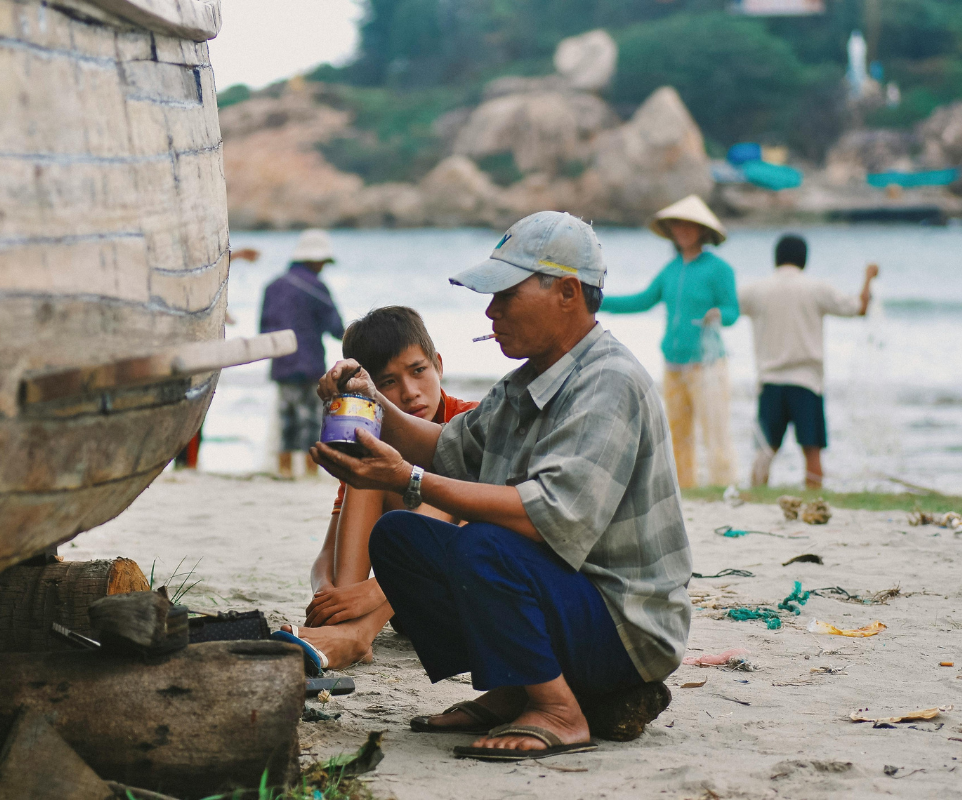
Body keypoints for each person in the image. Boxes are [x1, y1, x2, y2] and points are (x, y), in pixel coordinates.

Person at [310, 212, 690, 761]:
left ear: (566, 292)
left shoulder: (609, 382)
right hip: (568, 604)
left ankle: (559, 709)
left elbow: (545, 517)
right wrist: (368, 399)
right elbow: (448, 446)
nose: (491, 312)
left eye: (505, 296)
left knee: (486, 543)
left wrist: (408, 478)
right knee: (400, 538)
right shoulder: (526, 384)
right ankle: (518, 689)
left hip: (626, 627)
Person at [295, 307, 477, 669]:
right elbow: (327, 552)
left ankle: (357, 634)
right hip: (410, 614)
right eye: (388, 382)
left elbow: (485, 530)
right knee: (372, 471)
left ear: (438, 364)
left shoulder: (469, 422)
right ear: (370, 390)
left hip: (470, 599)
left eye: (418, 371)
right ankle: (345, 628)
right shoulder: (373, 442)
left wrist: (374, 590)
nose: (410, 393)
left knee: (443, 481)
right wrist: (330, 595)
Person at [601, 195, 739, 489]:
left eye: (690, 226)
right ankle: (684, 489)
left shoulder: (719, 269)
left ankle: (723, 485)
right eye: (678, 225)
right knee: (677, 433)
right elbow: (643, 300)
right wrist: (595, 300)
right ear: (672, 230)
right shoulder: (671, 269)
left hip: (707, 364)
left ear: (703, 230)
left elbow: (733, 311)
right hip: (673, 363)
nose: (683, 231)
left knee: (715, 431)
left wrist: (718, 314)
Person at [739, 234, 879, 489]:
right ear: (804, 259)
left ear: (776, 258)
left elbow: (725, 305)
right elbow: (859, 307)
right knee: (812, 450)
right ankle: (814, 497)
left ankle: (757, 496)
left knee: (765, 451)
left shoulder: (756, 289)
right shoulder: (816, 288)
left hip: (770, 380)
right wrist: (868, 276)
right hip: (806, 381)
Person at [259, 231, 344, 478]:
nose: (323, 268)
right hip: (310, 364)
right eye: (322, 262)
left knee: (286, 420)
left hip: (282, 364)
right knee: (311, 422)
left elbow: (264, 330)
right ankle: (309, 473)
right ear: (315, 261)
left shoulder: (272, 287)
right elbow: (336, 328)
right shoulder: (317, 287)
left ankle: (284, 469)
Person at [175, 248, 261, 469]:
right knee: (192, 412)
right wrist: (239, 256)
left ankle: (187, 464)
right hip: (192, 359)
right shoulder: (190, 281)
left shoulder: (186, 284)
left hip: (189, 356)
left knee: (190, 412)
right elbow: (205, 275)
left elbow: (205, 278)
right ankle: (188, 465)